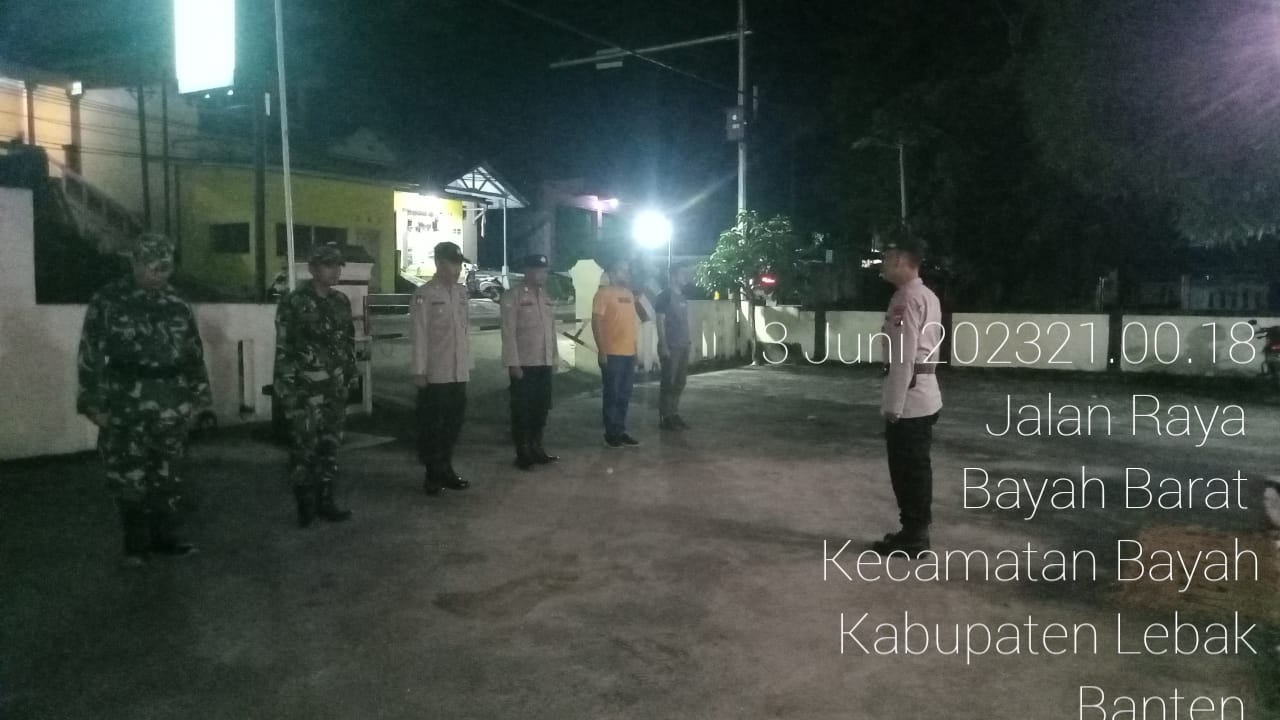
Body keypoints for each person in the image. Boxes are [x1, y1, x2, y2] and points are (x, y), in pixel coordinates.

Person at [76, 233, 211, 566]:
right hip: (126, 402)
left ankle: (166, 539)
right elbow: (90, 354)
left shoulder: (177, 303)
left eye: (165, 268)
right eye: (153, 267)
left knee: (168, 474)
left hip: (171, 401)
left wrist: (199, 397)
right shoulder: (109, 299)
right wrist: (93, 404)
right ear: (135, 263)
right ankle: (136, 546)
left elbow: (193, 353)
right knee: (129, 475)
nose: (159, 274)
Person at [273, 243, 357, 528]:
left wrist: (349, 375)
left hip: (334, 389)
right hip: (304, 391)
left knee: (330, 446)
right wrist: (287, 390)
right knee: (304, 448)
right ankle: (305, 503)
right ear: (312, 269)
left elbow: (347, 342)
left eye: (338, 266)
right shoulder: (294, 302)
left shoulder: (340, 301)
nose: (335, 271)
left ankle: (326, 500)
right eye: (328, 265)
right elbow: (284, 349)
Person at [871, 232, 943, 557]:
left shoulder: (905, 299)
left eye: (886, 258)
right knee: (917, 468)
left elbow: (903, 357)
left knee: (907, 471)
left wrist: (893, 405)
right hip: (925, 395)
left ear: (901, 259)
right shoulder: (927, 294)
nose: (882, 264)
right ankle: (915, 531)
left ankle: (914, 535)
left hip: (910, 400)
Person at [412, 241, 472, 494]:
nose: (457, 269)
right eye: (451, 264)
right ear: (439, 263)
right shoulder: (424, 294)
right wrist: (419, 370)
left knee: (452, 424)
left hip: (458, 371)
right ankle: (432, 474)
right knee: (433, 426)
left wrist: (467, 365)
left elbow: (464, 332)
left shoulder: (461, 293)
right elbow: (419, 334)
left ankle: (446, 468)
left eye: (459, 264)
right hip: (436, 372)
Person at [500, 253, 560, 470]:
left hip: (543, 361)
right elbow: (508, 333)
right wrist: (513, 363)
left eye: (544, 271)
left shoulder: (545, 296)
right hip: (524, 363)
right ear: (526, 271)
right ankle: (523, 451)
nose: (541, 275)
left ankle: (536, 446)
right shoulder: (513, 296)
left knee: (541, 407)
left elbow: (551, 331)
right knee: (522, 410)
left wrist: (554, 358)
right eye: (537, 270)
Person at [591, 257, 640, 448]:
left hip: (628, 353)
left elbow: (631, 324)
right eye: (622, 270)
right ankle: (611, 432)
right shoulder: (603, 294)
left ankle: (620, 429)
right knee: (612, 393)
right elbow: (596, 322)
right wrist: (601, 350)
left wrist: (635, 349)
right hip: (612, 353)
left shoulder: (629, 294)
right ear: (612, 274)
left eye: (627, 270)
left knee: (625, 394)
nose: (627, 273)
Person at [655, 263, 692, 430]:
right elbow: (660, 321)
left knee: (680, 382)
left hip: (683, 345)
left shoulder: (682, 296)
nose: (686, 277)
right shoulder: (664, 296)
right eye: (683, 273)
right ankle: (665, 417)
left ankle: (674, 413)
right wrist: (663, 345)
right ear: (673, 276)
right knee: (668, 382)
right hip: (671, 346)